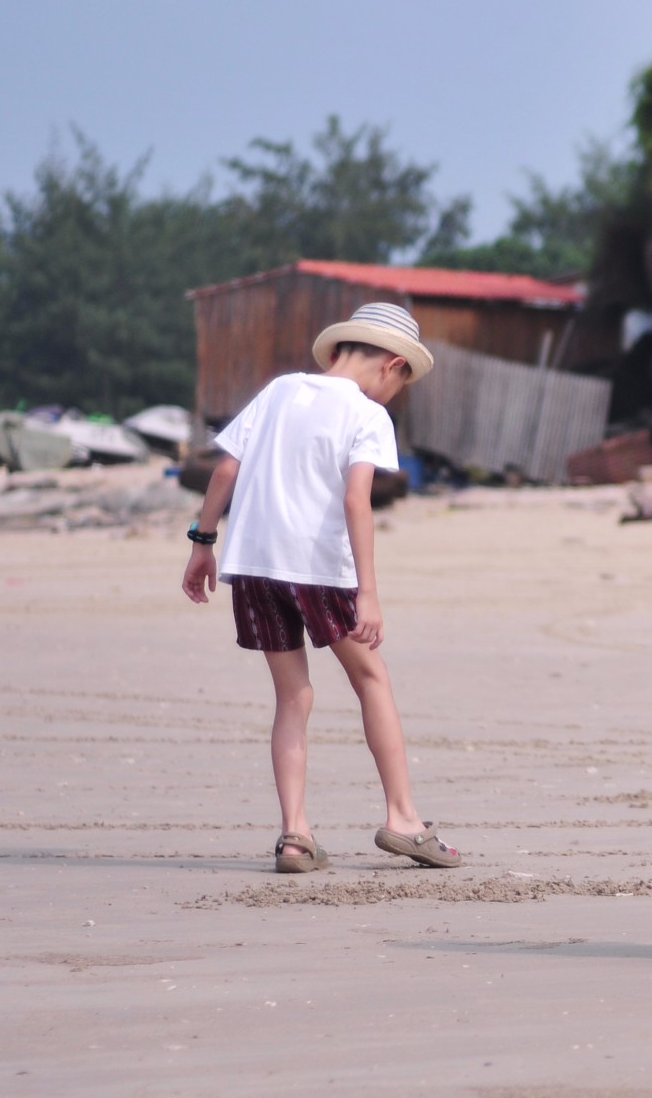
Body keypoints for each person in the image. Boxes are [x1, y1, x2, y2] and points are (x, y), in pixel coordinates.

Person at [179, 302, 462, 874]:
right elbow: (357, 500)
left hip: (254, 566)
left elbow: (226, 471)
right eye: (401, 382)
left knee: (292, 698)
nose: (395, 394)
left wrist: (202, 541)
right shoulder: (366, 414)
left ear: (337, 352)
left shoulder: (280, 390)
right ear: (392, 365)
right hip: (319, 569)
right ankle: (404, 819)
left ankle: (295, 836)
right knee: (371, 678)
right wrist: (369, 593)